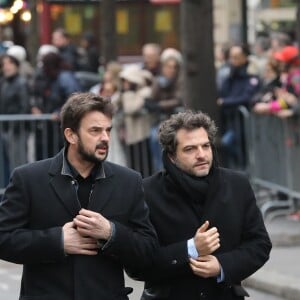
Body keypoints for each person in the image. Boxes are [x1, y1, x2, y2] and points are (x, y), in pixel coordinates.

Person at [0, 92, 157, 300]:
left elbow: (148, 250)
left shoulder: (129, 181)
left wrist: (112, 233)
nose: (105, 138)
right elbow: (4, 239)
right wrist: (58, 241)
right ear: (71, 135)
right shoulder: (28, 178)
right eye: (95, 130)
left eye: (108, 130)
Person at [130, 111, 272, 300]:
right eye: (189, 149)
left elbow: (259, 245)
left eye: (205, 146)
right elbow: (137, 264)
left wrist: (222, 266)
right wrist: (190, 249)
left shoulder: (237, 185)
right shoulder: (147, 192)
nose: (201, 155)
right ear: (172, 156)